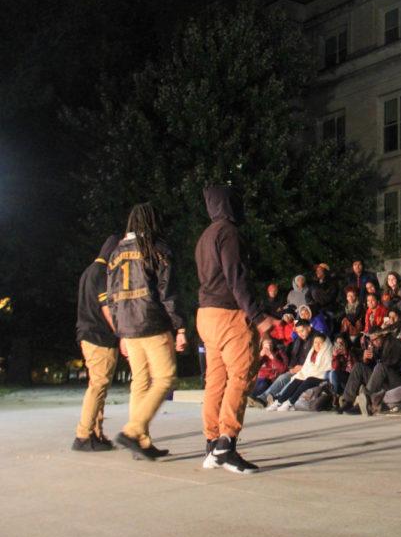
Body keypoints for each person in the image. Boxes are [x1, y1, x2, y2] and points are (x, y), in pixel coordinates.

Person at [194, 187, 278, 474]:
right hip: (230, 315)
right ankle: (226, 445)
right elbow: (236, 276)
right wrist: (257, 316)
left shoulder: (205, 236)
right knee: (241, 376)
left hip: (206, 314)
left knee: (215, 379)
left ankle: (211, 442)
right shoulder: (228, 232)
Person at [107, 203, 187, 460]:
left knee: (140, 382)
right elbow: (168, 292)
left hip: (128, 327)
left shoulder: (116, 252)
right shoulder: (157, 248)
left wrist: (119, 331)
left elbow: (112, 297)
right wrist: (180, 325)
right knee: (165, 378)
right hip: (152, 321)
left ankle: (140, 442)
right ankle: (133, 430)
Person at [72, 235, 121, 452]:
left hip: (88, 335)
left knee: (99, 387)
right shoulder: (102, 273)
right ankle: (83, 435)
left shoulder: (88, 271)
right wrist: (122, 332)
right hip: (99, 337)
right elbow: (106, 309)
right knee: (98, 386)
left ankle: (95, 433)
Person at [268, 332, 334, 411]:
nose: (317, 345)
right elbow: (306, 367)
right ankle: (279, 401)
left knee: (308, 380)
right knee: (297, 380)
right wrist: (305, 372)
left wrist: (310, 373)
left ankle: (290, 403)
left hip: (321, 376)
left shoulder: (328, 352)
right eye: (316, 342)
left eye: (320, 343)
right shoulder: (312, 352)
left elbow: (326, 368)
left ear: (325, 344)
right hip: (309, 374)